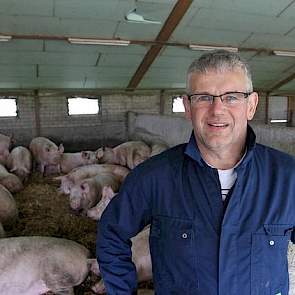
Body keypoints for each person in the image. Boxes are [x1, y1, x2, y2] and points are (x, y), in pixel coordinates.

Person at [96, 50, 295, 295]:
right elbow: (111, 234)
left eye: (231, 97)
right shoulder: (155, 177)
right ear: (187, 107)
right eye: (204, 97)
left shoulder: (287, 178)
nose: (217, 110)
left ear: (251, 105)